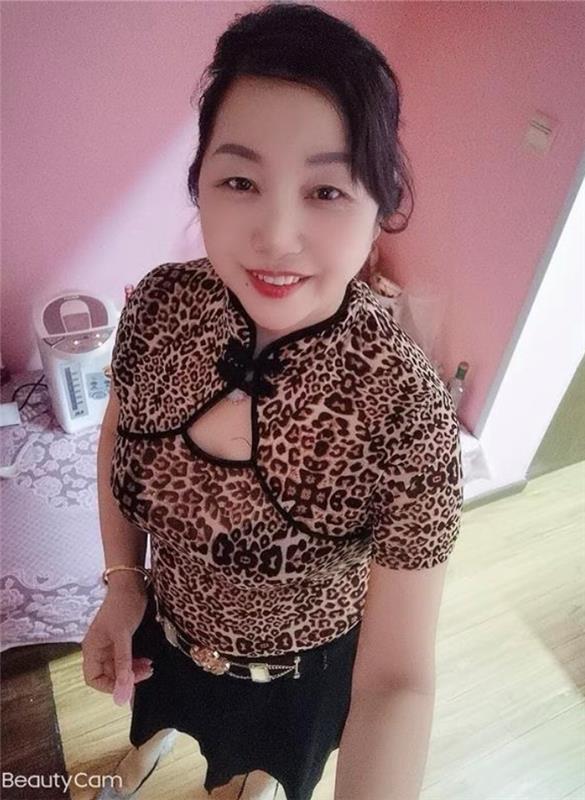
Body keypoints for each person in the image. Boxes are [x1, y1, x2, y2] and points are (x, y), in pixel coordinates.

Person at [81, 3, 464, 800]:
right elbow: (119, 434)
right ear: (199, 185)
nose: (276, 234)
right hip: (165, 630)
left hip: (292, 678)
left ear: (379, 207)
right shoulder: (161, 306)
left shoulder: (406, 414)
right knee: (154, 716)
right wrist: (123, 581)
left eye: (325, 190)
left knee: (249, 777)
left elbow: (397, 681)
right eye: (240, 181)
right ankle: (151, 744)